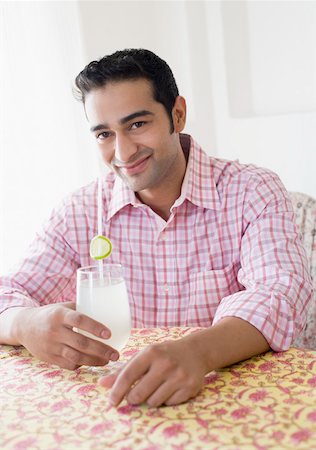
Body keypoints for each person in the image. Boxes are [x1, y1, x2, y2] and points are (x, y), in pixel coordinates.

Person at [0, 49, 313, 408]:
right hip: (124, 405)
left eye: (137, 125)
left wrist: (197, 353)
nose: (123, 152)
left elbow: (281, 295)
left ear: (177, 114)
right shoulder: (81, 210)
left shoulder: (252, 190)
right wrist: (24, 323)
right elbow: (8, 292)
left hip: (237, 402)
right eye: (104, 133)